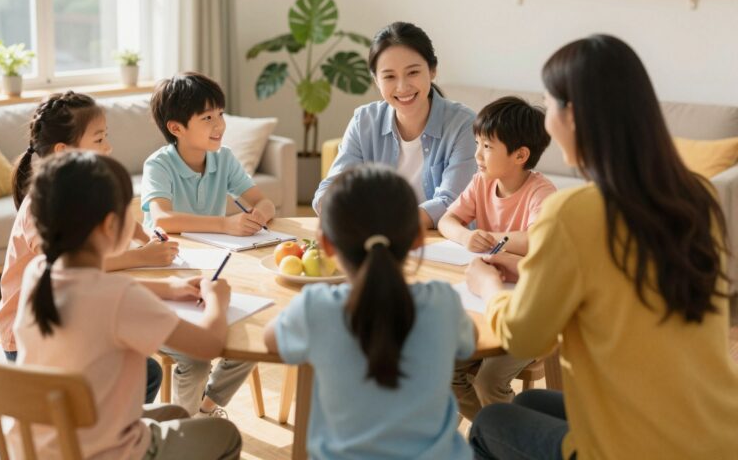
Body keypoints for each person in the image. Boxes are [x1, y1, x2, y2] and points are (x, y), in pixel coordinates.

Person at [466, 34, 738, 459]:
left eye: (549, 105)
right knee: (527, 403)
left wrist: (487, 287)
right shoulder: (696, 196)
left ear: (573, 116)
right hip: (714, 435)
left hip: (636, 450)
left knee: (488, 424)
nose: (548, 124)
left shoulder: (573, 213)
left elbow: (525, 336)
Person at [8, 151, 241, 459]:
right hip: (106, 452)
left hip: (41, 446)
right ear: (109, 225)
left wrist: (169, 288)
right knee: (226, 435)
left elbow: (96, 295)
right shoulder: (118, 297)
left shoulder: (38, 273)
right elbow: (208, 345)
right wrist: (216, 300)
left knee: (173, 413)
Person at [266, 164, 478, 459]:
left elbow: (270, 339)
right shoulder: (443, 303)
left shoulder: (315, 308)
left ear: (325, 243)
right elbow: (470, 340)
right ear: (418, 237)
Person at [0, 91, 179, 402]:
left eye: (106, 137)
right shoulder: (39, 207)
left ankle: (107, 433)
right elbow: (64, 266)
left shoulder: (80, 188)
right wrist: (139, 256)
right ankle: (105, 439)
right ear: (63, 151)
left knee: (141, 367)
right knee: (146, 373)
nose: (108, 147)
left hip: (68, 318)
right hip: (30, 339)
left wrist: (145, 235)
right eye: (98, 139)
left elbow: (116, 217)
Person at [142, 72, 273, 416]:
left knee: (252, 340)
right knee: (197, 361)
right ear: (177, 128)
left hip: (212, 276)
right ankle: (182, 433)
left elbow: (263, 201)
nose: (220, 125)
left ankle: (204, 410)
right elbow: (163, 219)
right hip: (168, 283)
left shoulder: (224, 158)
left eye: (221, 114)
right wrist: (225, 224)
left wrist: (259, 213)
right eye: (207, 118)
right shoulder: (159, 165)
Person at [437, 96, 555, 420]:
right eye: (477, 143)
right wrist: (466, 236)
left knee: (489, 381)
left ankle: (505, 441)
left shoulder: (541, 193)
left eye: (487, 146)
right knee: (447, 368)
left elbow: (538, 238)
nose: (477, 154)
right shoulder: (481, 183)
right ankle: (494, 439)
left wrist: (498, 241)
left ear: (520, 155)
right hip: (485, 303)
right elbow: (447, 220)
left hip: (531, 311)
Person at [312, 22, 476, 230]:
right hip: (376, 240)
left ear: (432, 70)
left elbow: (452, 203)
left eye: (413, 72)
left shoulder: (464, 124)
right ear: (376, 81)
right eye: (389, 76)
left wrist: (387, 223)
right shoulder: (364, 121)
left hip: (444, 244)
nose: (402, 87)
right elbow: (328, 191)